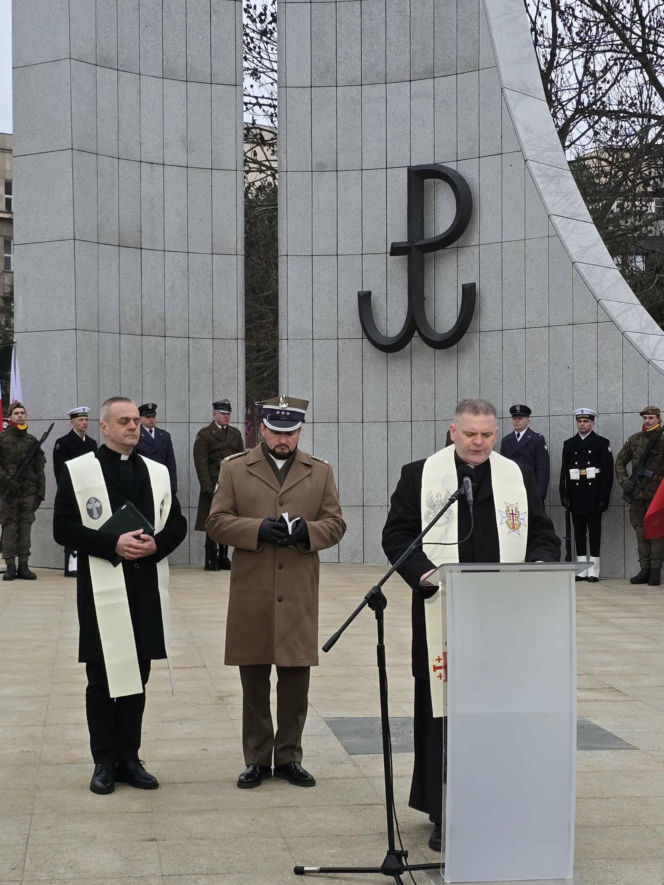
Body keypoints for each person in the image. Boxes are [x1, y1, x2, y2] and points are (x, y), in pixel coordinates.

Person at [382, 398, 560, 852]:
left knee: (495, 712)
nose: (478, 442)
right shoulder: (419, 474)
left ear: (496, 433)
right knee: (442, 711)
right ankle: (445, 810)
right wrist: (421, 572)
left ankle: (496, 800)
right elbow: (398, 535)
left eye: (486, 434)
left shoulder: (514, 475)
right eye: (470, 434)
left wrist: (538, 566)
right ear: (452, 431)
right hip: (440, 607)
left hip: (502, 614)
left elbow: (541, 532)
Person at [206, 395, 346, 789]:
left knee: (295, 679)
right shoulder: (235, 468)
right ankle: (255, 758)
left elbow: (335, 523)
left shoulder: (319, 472)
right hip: (253, 588)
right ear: (262, 430)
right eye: (276, 432)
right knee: (253, 678)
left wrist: (308, 532)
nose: (283, 440)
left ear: (299, 431)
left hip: (298, 589)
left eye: (291, 433)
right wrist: (254, 530)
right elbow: (216, 521)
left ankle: (288, 757)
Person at [53, 397, 187, 794]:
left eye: (135, 421)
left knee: (139, 673)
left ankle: (130, 757)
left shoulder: (156, 471)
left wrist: (155, 545)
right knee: (101, 676)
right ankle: (103, 761)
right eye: (124, 421)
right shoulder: (80, 472)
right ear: (104, 427)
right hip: (100, 588)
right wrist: (113, 543)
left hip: (144, 585)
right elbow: (62, 528)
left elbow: (176, 522)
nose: (133, 427)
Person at [559, 408, 613, 582]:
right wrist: (564, 493)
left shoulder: (601, 443)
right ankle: (582, 569)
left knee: (594, 532)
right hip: (576, 493)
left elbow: (607, 473)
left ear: (592, 423)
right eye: (580, 421)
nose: (582, 424)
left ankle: (594, 569)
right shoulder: (569, 443)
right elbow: (564, 471)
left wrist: (604, 497)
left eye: (586, 421)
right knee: (579, 532)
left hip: (594, 493)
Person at [615, 405, 664, 586]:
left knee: (657, 532)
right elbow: (620, 461)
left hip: (657, 495)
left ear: (658, 419)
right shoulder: (635, 439)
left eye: (651, 418)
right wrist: (623, 480)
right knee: (640, 531)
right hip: (637, 494)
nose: (647, 421)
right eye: (645, 418)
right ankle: (644, 569)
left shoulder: (662, 439)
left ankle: (655, 570)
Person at [193, 398, 244, 570]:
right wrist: (206, 486)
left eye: (228, 414)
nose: (226, 417)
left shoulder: (235, 434)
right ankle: (211, 556)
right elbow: (201, 462)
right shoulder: (205, 434)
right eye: (223, 414)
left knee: (227, 519)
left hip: (229, 481)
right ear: (214, 414)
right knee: (212, 520)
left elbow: (240, 460)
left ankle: (224, 556)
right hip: (213, 481)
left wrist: (239, 482)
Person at [0, 400, 46, 581]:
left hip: (28, 492)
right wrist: (8, 481)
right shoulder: (2, 439)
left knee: (25, 526)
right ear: (10, 417)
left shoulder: (32, 441)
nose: (20, 415)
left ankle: (24, 566)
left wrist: (40, 493)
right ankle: (10, 566)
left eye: (22, 413)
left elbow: (39, 469)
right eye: (16, 413)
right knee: (10, 527)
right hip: (7, 492)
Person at [53, 406, 98, 577]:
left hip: (88, 492)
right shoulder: (63, 443)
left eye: (86, 419)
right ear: (72, 422)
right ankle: (71, 564)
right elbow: (59, 471)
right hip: (71, 492)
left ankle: (85, 563)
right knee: (72, 526)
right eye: (80, 420)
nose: (84, 423)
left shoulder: (92, 443)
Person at [499, 403, 550, 500]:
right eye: (514, 419)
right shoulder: (506, 440)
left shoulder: (537, 439)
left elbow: (542, 469)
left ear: (528, 421)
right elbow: (503, 468)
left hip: (531, 489)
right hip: (512, 488)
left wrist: (540, 494)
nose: (517, 421)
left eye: (520, 418)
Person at [135, 403, 177, 492]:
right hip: (144, 481)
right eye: (148, 417)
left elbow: (171, 463)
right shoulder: (136, 435)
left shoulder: (164, 435)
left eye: (153, 416)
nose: (151, 419)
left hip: (161, 481)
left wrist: (173, 487)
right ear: (140, 418)